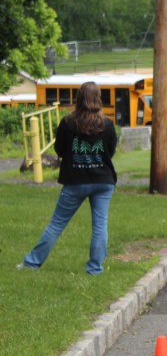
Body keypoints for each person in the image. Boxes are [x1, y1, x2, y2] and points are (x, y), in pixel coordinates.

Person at [19, 82, 118, 274]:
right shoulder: (107, 125)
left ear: (79, 98)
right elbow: (110, 151)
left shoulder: (67, 123)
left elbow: (60, 149)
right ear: (99, 98)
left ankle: (32, 263)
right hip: (103, 180)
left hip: (75, 181)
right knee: (100, 226)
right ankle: (94, 268)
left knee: (56, 224)